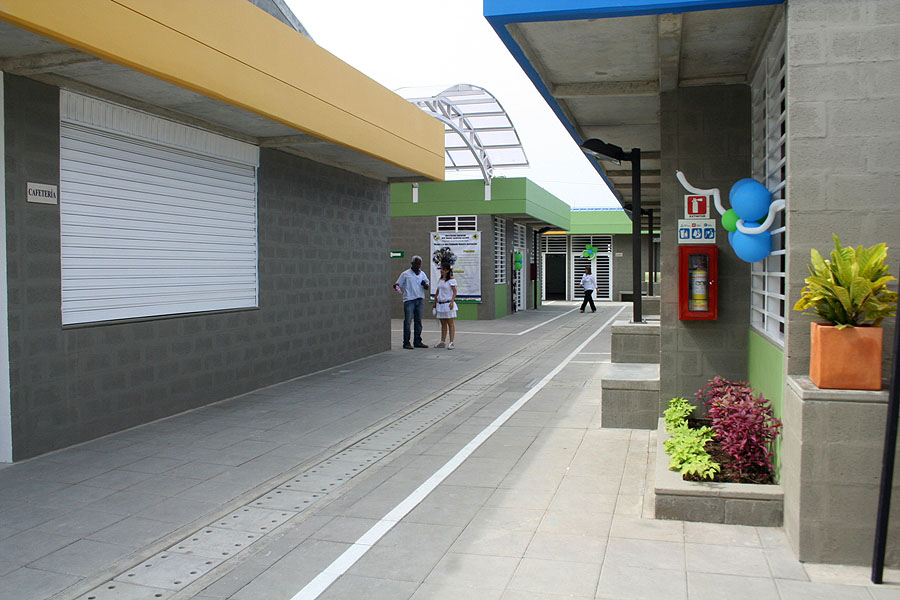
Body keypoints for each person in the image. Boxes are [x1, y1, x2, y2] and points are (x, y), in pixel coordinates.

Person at [393, 256, 429, 349]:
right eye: (416, 263)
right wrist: (396, 286)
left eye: (419, 264)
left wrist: (425, 285)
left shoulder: (422, 274)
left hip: (419, 300)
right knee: (408, 322)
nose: (418, 265)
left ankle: (417, 341)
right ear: (412, 263)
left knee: (418, 321)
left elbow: (427, 287)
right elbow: (398, 284)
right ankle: (406, 342)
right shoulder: (405, 274)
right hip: (409, 300)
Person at [432, 262, 458, 349]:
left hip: (448, 304)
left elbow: (454, 291)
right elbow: (438, 291)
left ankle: (451, 342)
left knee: (450, 323)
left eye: (443, 269)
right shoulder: (440, 280)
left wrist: (452, 301)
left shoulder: (451, 280)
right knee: (443, 323)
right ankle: (442, 342)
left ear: (447, 270)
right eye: (441, 269)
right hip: (440, 304)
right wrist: (435, 301)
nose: (441, 271)